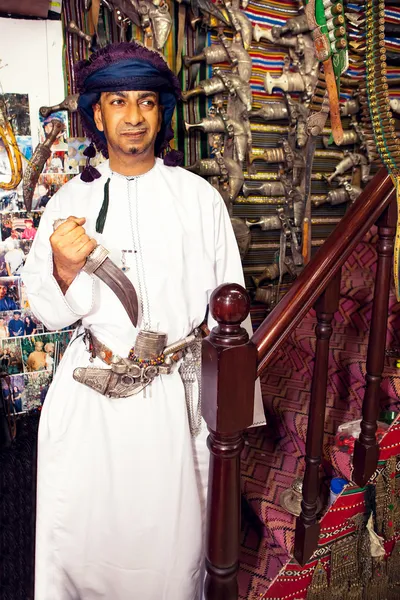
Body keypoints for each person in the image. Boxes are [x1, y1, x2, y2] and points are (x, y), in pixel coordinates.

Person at [22, 42, 264, 600]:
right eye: (117, 101)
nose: (133, 116)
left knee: (172, 560)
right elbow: (47, 312)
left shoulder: (197, 198)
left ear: (162, 113)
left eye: (146, 102)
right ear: (98, 114)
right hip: (91, 404)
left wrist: (234, 416)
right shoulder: (67, 202)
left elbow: (232, 311)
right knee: (83, 549)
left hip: (173, 408)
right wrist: (62, 266)